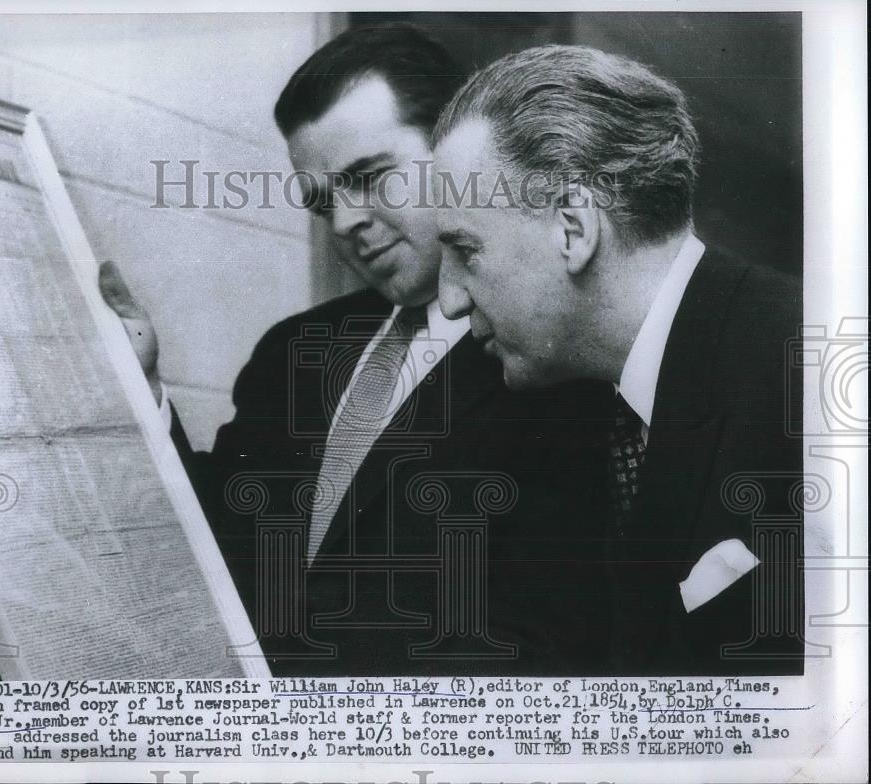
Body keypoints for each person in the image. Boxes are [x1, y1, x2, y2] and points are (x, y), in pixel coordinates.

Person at [102, 25, 614, 676]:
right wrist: (143, 390)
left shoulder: (557, 359)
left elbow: (552, 642)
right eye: (323, 202)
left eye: (370, 177)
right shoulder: (293, 352)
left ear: (459, 150)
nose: (345, 222)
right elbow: (217, 550)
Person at [429, 44, 804, 674]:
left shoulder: (815, 373)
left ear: (573, 229)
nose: (447, 299)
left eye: (465, 250)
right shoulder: (588, 422)